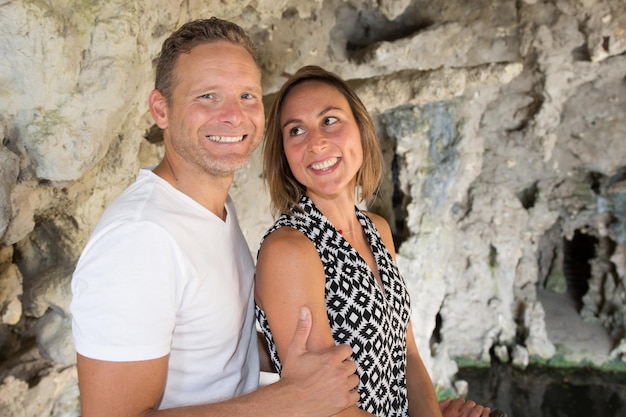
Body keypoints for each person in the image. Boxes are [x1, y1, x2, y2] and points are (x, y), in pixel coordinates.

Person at [70, 19, 360, 417]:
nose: (234, 116)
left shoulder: (213, 211)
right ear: (161, 109)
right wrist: (290, 400)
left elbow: (217, 346)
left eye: (246, 95)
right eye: (207, 96)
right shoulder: (140, 239)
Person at [255, 65, 494, 417]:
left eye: (330, 120)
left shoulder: (377, 230)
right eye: (296, 130)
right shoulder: (290, 249)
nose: (316, 142)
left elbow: (407, 353)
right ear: (285, 154)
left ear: (361, 130)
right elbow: (326, 407)